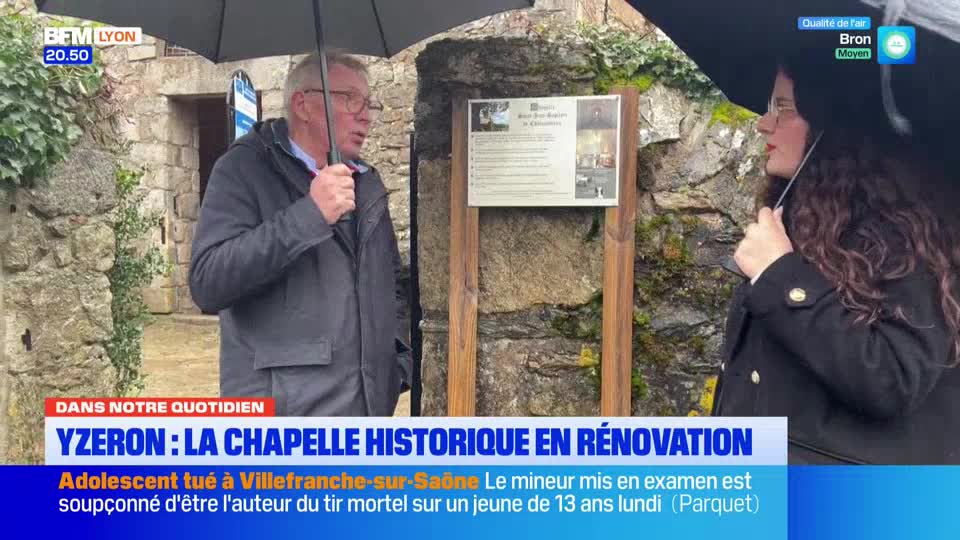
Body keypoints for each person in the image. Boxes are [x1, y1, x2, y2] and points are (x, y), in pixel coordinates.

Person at [711, 59, 960, 464]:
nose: (764, 123)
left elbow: (893, 377)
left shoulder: (910, 237)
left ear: (834, 127)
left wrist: (779, 275)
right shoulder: (807, 221)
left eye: (784, 108)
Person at [188, 52, 411, 416]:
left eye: (369, 103)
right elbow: (207, 282)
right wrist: (309, 215)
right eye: (350, 99)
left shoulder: (366, 182)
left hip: (366, 413)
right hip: (285, 419)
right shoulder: (244, 168)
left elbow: (392, 284)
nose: (365, 114)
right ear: (303, 105)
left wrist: (395, 365)